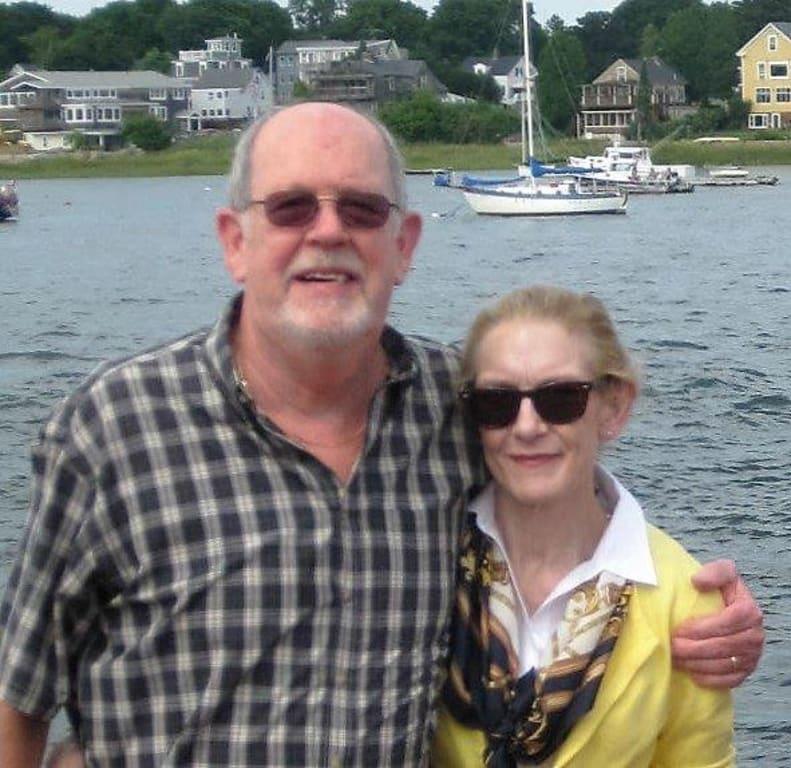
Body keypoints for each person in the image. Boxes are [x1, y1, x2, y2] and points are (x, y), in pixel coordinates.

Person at [0, 104, 762, 767]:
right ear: (235, 240)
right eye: (292, 207)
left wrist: (709, 618)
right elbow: (20, 691)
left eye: (361, 210)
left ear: (403, 246)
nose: (327, 231)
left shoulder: (458, 406)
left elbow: (560, 483)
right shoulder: (112, 426)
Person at [432, 285, 735, 767]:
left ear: (614, 407)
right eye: (497, 402)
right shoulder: (429, 563)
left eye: (561, 398)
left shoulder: (685, 597)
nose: (527, 426)